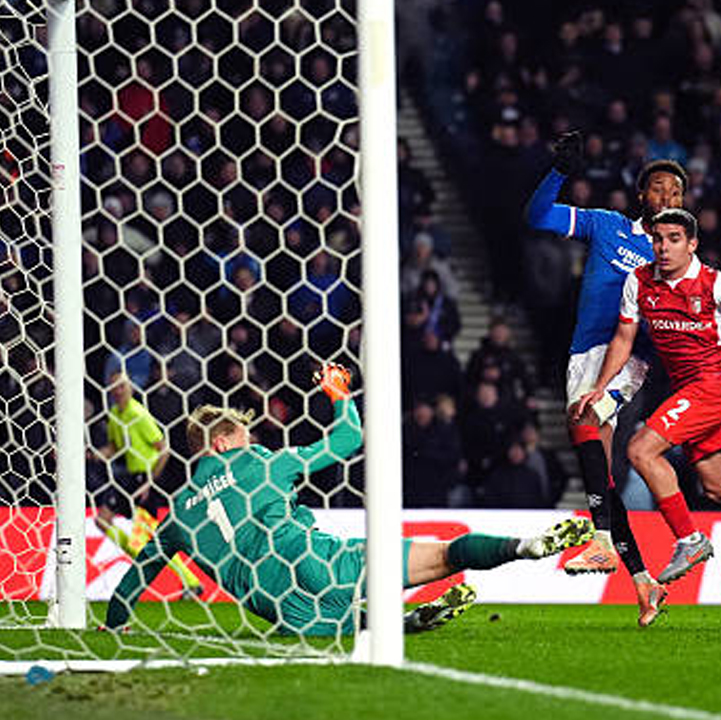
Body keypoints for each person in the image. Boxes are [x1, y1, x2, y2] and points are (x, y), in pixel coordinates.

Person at [103, 364, 593, 636]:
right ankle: (522, 549)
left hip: (284, 614)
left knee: (346, 618)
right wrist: (339, 394)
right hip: (315, 561)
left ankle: (397, 621)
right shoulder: (258, 463)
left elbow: (141, 571)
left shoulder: (179, 513)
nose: (251, 442)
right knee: (446, 552)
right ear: (222, 443)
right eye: (244, 436)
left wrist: (115, 622)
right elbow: (347, 441)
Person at [571, 208, 721, 587]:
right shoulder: (639, 281)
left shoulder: (712, 283)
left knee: (639, 450)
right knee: (717, 485)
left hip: (715, 386)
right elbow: (623, 338)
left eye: (674, 240)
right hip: (687, 391)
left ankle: (690, 539)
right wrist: (601, 385)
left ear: (692, 244)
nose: (664, 248)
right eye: (658, 239)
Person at [526, 131, 685, 626]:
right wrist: (559, 173)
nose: (668, 198)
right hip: (582, 353)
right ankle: (643, 582)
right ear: (643, 195)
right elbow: (537, 217)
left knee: (584, 420)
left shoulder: (675, 256)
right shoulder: (606, 226)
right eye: (660, 190)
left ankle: (600, 544)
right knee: (601, 472)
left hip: (626, 361)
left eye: (677, 194)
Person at [93, 371, 203, 599]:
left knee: (152, 539)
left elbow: (163, 448)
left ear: (130, 388)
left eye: (122, 386)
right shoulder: (114, 414)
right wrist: (92, 455)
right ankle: (144, 563)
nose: (118, 390)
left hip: (145, 479)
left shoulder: (138, 414)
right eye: (114, 387)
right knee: (102, 520)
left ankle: (191, 581)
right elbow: (114, 448)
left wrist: (150, 483)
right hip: (128, 478)